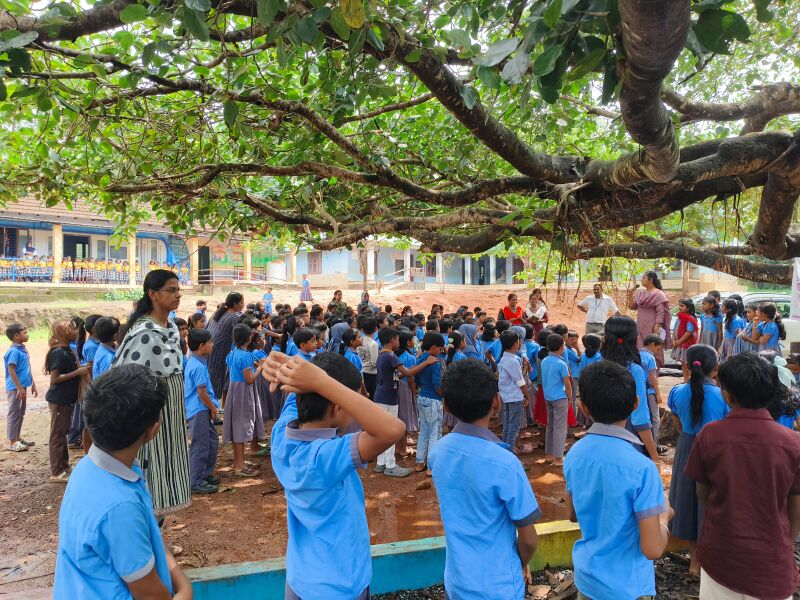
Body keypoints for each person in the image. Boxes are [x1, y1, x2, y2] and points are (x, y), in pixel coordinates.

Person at [266, 351, 406, 599]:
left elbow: (297, 389)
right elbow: (393, 429)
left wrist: (306, 375)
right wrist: (322, 382)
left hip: (302, 579)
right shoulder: (324, 457)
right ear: (337, 404)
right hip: (339, 585)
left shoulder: (282, 435)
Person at [53, 364, 193, 600]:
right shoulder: (120, 507)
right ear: (153, 431)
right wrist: (186, 590)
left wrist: (170, 566)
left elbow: (149, 540)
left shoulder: (89, 468)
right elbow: (150, 596)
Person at [686, 352, 800, 599]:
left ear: (726, 393)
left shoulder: (710, 435)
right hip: (771, 559)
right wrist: (787, 541)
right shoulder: (793, 443)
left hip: (720, 553)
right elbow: (796, 504)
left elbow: (701, 492)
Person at [429, 358, 540, 600]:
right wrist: (522, 562)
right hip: (498, 586)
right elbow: (529, 539)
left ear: (445, 406)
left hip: (457, 580)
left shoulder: (438, 451)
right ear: (496, 402)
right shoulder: (505, 463)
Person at [565, 361, 672, 600]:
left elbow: (573, 515)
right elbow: (653, 548)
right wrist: (664, 516)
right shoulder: (642, 468)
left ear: (583, 407)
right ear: (635, 404)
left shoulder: (574, 454)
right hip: (627, 587)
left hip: (588, 579)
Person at [112, 269, 190, 516]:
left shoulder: (170, 327)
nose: (178, 295)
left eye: (179, 289)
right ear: (153, 294)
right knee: (149, 470)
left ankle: (157, 539)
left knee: (165, 469)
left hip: (171, 416)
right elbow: (128, 378)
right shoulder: (145, 332)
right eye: (171, 290)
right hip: (151, 415)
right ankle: (148, 543)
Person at [667, 344, 728, 577]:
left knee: (686, 500)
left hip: (686, 447)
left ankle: (695, 559)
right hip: (714, 450)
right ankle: (708, 558)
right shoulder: (722, 395)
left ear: (687, 366)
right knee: (711, 501)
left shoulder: (677, 391)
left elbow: (678, 424)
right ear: (715, 369)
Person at [373, 328, 436, 477]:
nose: (399, 342)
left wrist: (414, 367)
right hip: (388, 398)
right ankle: (390, 465)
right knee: (390, 432)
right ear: (392, 340)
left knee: (383, 431)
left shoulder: (382, 355)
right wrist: (426, 363)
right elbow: (407, 373)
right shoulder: (391, 356)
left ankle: (381, 463)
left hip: (381, 396)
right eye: (397, 339)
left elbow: (397, 376)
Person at [602, 316, 658, 462]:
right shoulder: (634, 370)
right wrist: (654, 456)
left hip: (600, 438)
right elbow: (640, 418)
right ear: (634, 339)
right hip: (627, 440)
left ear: (606, 338)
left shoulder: (597, 366)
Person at [224, 323, 265, 477]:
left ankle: (237, 461)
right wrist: (260, 367)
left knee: (236, 425)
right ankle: (240, 466)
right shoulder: (246, 355)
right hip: (244, 392)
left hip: (234, 391)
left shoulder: (233, 353)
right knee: (241, 425)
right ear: (249, 338)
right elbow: (249, 379)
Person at [184, 328, 221, 495]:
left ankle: (204, 473)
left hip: (202, 409)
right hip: (198, 410)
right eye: (210, 342)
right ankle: (195, 480)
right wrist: (213, 408)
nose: (212, 345)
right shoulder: (196, 366)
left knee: (212, 441)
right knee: (200, 445)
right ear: (201, 345)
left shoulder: (199, 361)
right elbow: (201, 393)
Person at [415, 332, 446, 475]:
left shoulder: (420, 359)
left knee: (424, 431)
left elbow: (416, 378)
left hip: (421, 397)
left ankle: (419, 462)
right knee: (435, 432)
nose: (441, 351)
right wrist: (443, 395)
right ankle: (431, 466)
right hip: (434, 399)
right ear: (434, 347)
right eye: (440, 348)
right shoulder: (435, 362)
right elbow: (437, 384)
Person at [497, 330, 532, 454]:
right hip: (514, 397)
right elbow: (520, 382)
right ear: (515, 345)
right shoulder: (512, 360)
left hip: (507, 396)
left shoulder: (504, 358)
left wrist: (524, 368)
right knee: (513, 428)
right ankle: (509, 453)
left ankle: (505, 451)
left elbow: (515, 377)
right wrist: (527, 396)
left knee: (508, 425)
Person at [626, 271, 671, 364]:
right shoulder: (640, 293)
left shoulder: (658, 294)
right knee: (639, 347)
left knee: (653, 348)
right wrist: (630, 295)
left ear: (651, 279)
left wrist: (657, 325)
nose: (641, 280)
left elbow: (660, 312)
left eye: (644, 278)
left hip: (652, 327)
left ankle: (653, 372)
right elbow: (632, 307)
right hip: (640, 326)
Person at [5, 323, 37, 452]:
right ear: (16, 336)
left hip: (23, 386)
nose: (27, 334)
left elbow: (27, 368)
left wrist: (33, 384)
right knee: (14, 413)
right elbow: (11, 369)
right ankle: (13, 442)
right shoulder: (13, 352)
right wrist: (18, 387)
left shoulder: (22, 349)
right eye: (25, 332)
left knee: (21, 412)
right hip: (15, 388)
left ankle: (17, 437)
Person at [640, 335, 665, 446]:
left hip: (640, 391)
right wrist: (658, 394)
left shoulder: (638, 355)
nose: (658, 352)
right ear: (652, 345)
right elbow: (653, 378)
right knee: (655, 418)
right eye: (658, 349)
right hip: (650, 391)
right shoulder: (650, 358)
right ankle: (653, 444)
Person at [671, 298, 698, 368]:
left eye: (682, 306)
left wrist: (679, 341)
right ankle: (686, 379)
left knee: (687, 363)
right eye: (679, 305)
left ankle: (690, 378)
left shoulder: (690, 318)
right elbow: (675, 330)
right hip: (679, 343)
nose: (680, 307)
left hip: (686, 344)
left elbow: (689, 332)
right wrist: (673, 340)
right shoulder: (679, 317)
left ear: (689, 308)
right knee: (683, 363)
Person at [357, 316, 379, 398]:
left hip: (363, 372)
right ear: (376, 329)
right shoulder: (373, 344)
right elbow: (374, 363)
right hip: (372, 374)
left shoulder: (360, 340)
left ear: (362, 329)